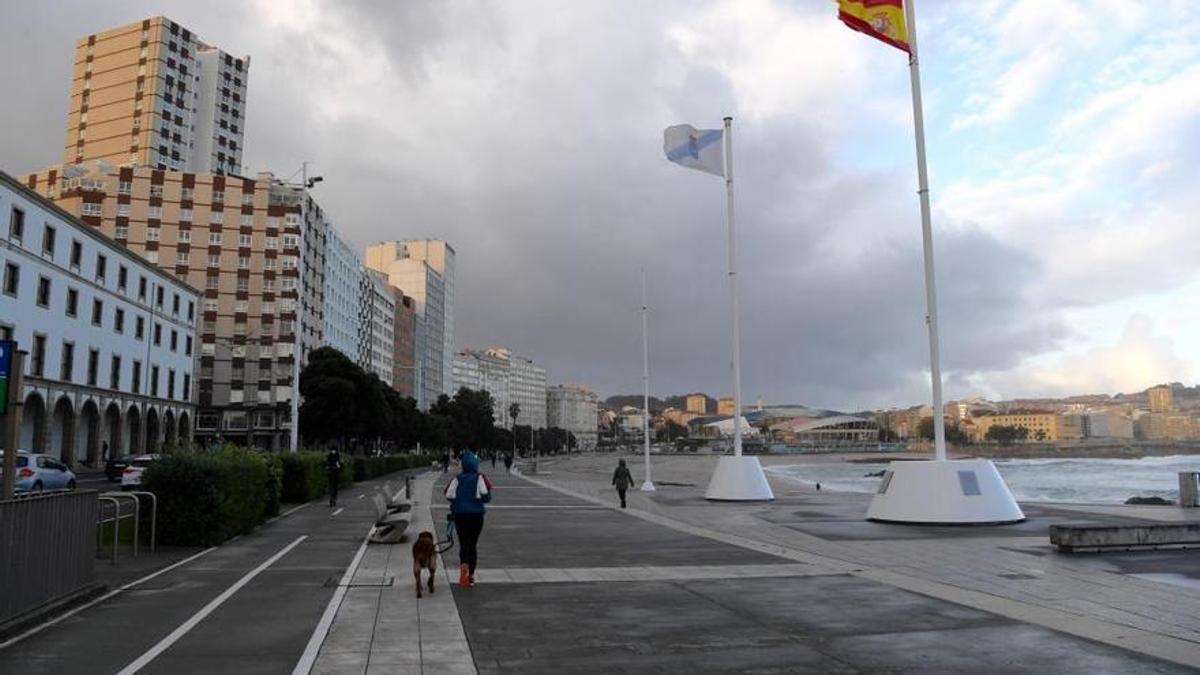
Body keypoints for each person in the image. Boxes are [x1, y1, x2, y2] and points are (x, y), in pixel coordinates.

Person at [445, 450, 492, 587]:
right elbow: (485, 494)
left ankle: (463, 570)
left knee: (463, 544)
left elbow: (449, 495)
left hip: (460, 515)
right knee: (472, 544)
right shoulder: (479, 477)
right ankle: (470, 575)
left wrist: (459, 501)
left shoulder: (457, 478)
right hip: (476, 516)